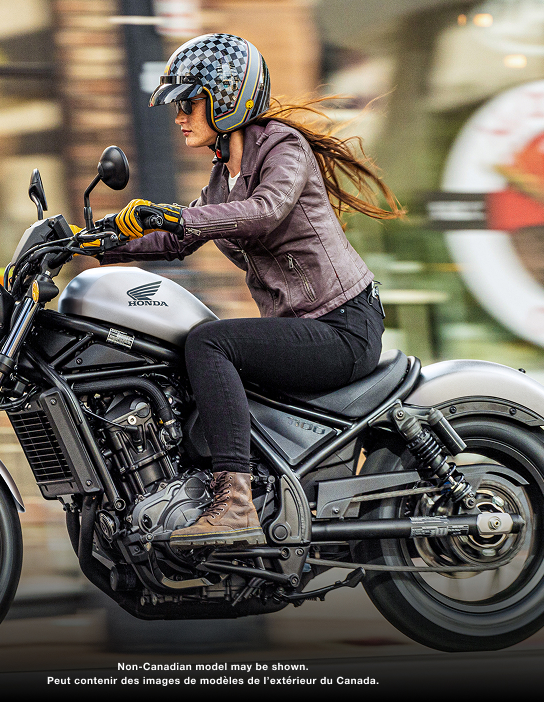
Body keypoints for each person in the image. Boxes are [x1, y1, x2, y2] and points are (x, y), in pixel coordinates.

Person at [96, 33, 404, 546]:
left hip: (341, 325)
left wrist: (174, 213)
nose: (179, 115)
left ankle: (234, 504)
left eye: (189, 101)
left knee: (209, 341)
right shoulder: (223, 177)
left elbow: (264, 212)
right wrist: (97, 241)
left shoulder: (283, 146)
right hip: (303, 328)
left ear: (227, 97)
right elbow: (178, 237)